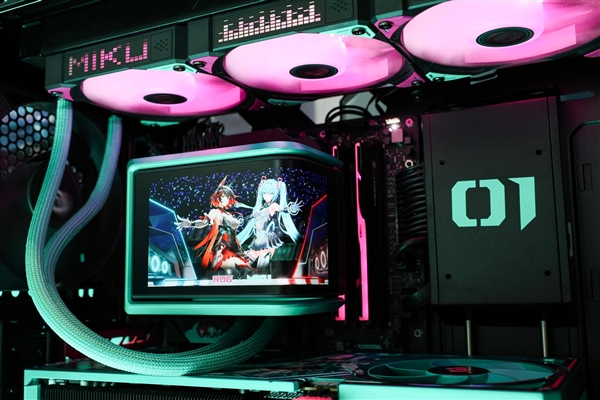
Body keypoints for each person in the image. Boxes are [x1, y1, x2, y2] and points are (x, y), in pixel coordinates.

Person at [175, 177, 253, 278]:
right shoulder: (215, 212)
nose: (224, 199)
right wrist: (191, 223)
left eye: (226, 196)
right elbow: (204, 222)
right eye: (222, 196)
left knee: (248, 273)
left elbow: (236, 226)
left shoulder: (231, 215)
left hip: (235, 249)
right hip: (223, 249)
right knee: (242, 272)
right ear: (217, 197)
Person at [237, 177, 303, 270]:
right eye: (264, 193)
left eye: (270, 193)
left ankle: (261, 275)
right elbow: (250, 217)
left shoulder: (273, 206)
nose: (267, 196)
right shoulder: (259, 207)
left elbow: (283, 209)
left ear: (274, 194)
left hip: (267, 238)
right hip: (259, 238)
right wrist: (242, 220)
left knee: (262, 262)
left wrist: (291, 209)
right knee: (247, 261)